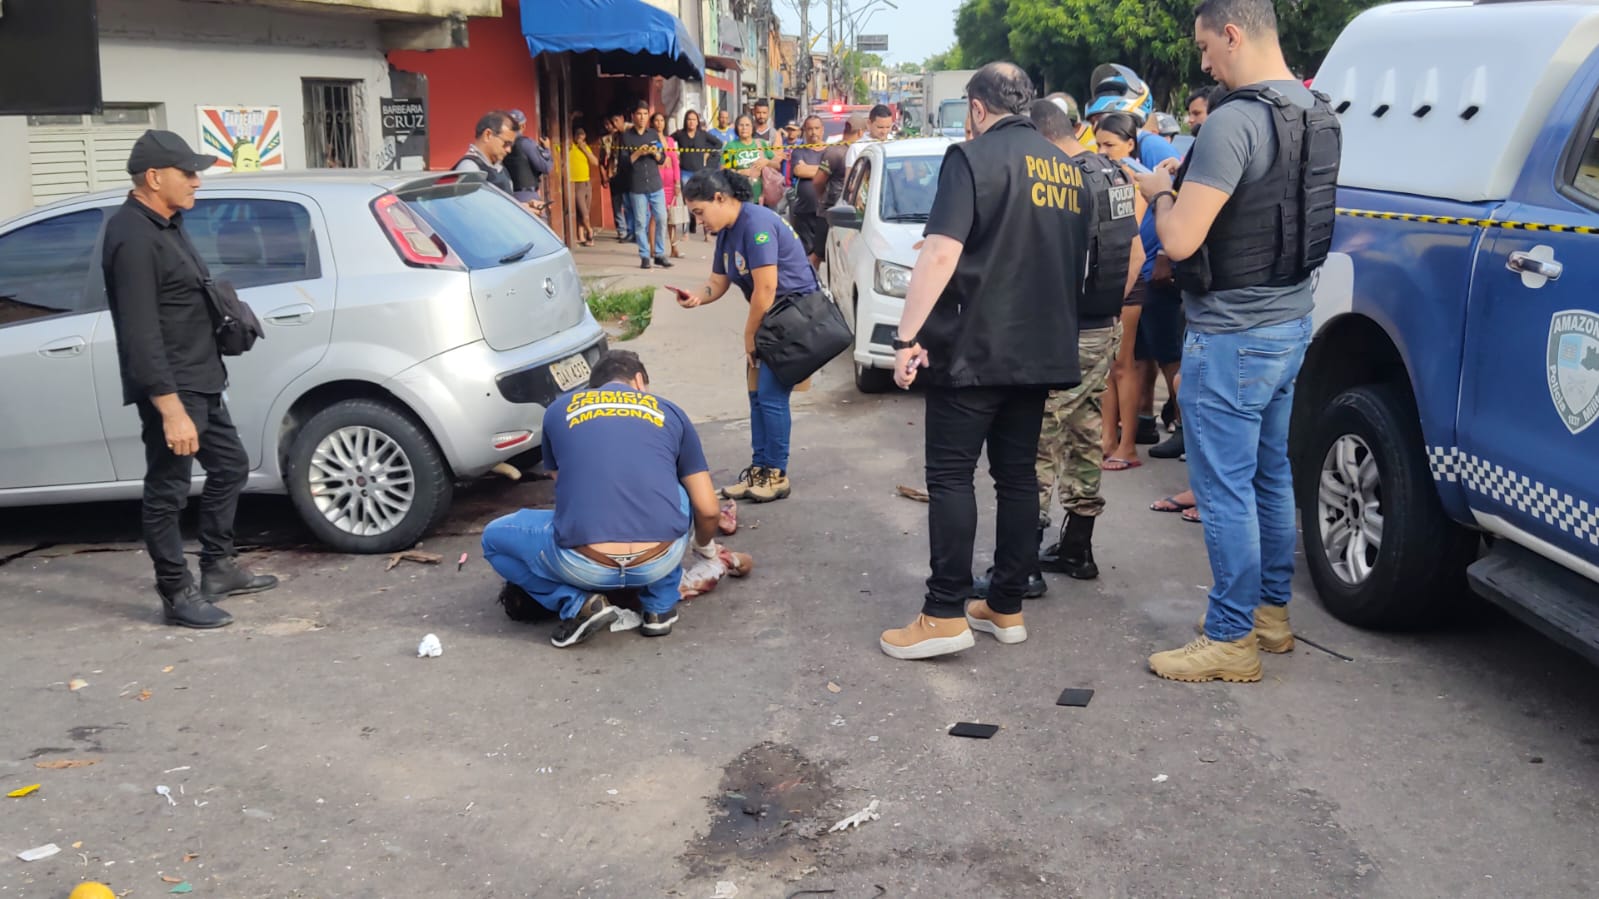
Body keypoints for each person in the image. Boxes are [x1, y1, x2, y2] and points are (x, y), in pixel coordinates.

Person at [1132, 0, 1341, 682]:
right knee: (1269, 475)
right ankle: (1269, 617)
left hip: (1230, 335)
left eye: (1203, 47)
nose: (1202, 63)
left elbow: (1182, 239)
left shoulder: (1233, 121)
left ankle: (1229, 637)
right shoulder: (1319, 112)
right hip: (1289, 323)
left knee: (1223, 491)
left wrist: (1160, 191)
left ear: (1230, 33)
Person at [879, 62, 1089, 661]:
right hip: (1041, 349)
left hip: (973, 347)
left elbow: (942, 252)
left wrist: (905, 337)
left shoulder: (969, 159)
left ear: (976, 109)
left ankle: (944, 611)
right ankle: (1004, 602)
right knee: (1016, 475)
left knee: (950, 476)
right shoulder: (1068, 172)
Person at [103, 130, 279, 629]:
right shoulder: (132, 237)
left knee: (230, 466)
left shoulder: (166, 224)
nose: (198, 181)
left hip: (202, 381)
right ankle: (176, 593)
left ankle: (219, 568)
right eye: (188, 172)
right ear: (155, 178)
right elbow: (140, 334)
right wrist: (170, 408)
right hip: (173, 390)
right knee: (168, 490)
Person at [481, 352, 722, 647]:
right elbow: (709, 510)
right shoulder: (670, 411)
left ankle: (578, 603)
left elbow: (568, 487)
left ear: (591, 388)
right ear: (639, 382)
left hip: (583, 564)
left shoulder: (559, 411)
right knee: (678, 492)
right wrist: (704, 550)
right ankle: (659, 607)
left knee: (493, 539)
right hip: (658, 560)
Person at [1030, 96, 1144, 582]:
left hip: (1063, 333)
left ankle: (1022, 567)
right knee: (1084, 433)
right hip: (1104, 328)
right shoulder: (1113, 173)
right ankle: (1077, 549)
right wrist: (1108, 308)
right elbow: (1135, 253)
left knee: (1035, 442)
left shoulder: (1058, 181)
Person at [671, 168, 817, 505]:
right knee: (756, 398)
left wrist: (750, 335)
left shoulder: (756, 224)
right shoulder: (726, 230)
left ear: (720, 198)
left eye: (699, 212)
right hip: (770, 321)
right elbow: (718, 282)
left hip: (791, 319)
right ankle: (759, 469)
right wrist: (696, 296)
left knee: (770, 396)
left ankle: (776, 474)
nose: (699, 221)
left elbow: (766, 289)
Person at [1094, 112, 1156, 471]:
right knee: (1106, 366)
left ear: (1131, 145)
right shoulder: (1109, 175)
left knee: (1123, 365)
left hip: (1131, 280)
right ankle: (1107, 439)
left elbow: (1128, 233)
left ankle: (1128, 445)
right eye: (1099, 144)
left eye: (1110, 145)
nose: (1103, 151)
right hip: (1108, 280)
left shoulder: (1137, 181)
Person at [619, 102, 672, 270]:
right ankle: (644, 256)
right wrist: (638, 153)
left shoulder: (653, 134)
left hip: (655, 183)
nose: (642, 117)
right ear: (633, 116)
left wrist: (655, 153)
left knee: (662, 218)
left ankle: (660, 253)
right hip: (637, 184)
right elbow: (623, 163)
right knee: (641, 222)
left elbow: (662, 159)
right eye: (639, 114)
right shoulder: (626, 136)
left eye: (644, 114)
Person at [673, 110, 724, 239]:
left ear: (697, 122)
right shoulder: (680, 134)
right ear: (685, 121)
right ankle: (686, 232)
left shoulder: (703, 135)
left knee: (702, 202)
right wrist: (674, 155)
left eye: (694, 119)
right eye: (689, 119)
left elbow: (718, 143)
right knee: (686, 203)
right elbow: (667, 141)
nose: (691, 122)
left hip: (700, 172)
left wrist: (708, 152)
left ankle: (706, 233)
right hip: (684, 171)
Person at [787, 115, 828, 267]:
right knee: (805, 253)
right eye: (809, 129)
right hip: (804, 211)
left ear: (822, 130)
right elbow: (799, 170)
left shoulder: (830, 151)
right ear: (804, 131)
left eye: (816, 128)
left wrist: (809, 168)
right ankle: (809, 284)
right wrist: (823, 169)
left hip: (826, 211)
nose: (813, 132)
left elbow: (834, 173)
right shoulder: (799, 151)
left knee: (823, 253)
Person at [504, 109, 554, 217]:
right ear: (523, 126)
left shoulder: (501, 143)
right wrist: (547, 150)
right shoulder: (525, 144)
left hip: (507, 196)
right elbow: (545, 167)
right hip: (527, 195)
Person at [454, 111, 517, 195]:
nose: (509, 150)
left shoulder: (500, 169)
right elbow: (470, 206)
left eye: (511, 145)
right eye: (506, 143)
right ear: (488, 135)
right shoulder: (469, 168)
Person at [654, 112, 687, 259]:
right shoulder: (651, 140)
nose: (659, 123)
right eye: (656, 120)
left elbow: (675, 162)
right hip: (656, 182)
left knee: (671, 218)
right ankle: (653, 248)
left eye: (662, 120)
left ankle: (674, 248)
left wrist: (677, 182)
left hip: (670, 183)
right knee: (656, 217)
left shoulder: (670, 140)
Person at [602, 114, 636, 244]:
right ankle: (628, 231)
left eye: (616, 120)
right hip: (619, 173)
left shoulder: (631, 130)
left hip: (632, 173)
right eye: (612, 121)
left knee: (634, 205)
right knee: (626, 205)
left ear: (622, 118)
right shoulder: (614, 137)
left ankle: (635, 231)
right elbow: (613, 156)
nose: (615, 124)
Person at [721, 114, 775, 187]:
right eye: (741, 125)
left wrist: (767, 162)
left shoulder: (761, 143)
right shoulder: (730, 146)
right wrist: (740, 172)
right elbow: (724, 169)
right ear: (736, 128)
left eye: (747, 125)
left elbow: (777, 165)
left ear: (753, 128)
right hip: (739, 191)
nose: (744, 128)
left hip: (762, 193)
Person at [569, 125, 599, 247]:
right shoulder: (570, 146)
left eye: (583, 136)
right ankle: (590, 231)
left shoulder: (585, 147)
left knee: (586, 210)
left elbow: (595, 162)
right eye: (578, 136)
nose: (580, 139)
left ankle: (581, 235)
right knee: (583, 212)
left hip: (586, 182)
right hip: (576, 183)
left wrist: (584, 149)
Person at [845, 103, 895, 170]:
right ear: (869, 123)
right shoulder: (856, 148)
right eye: (880, 127)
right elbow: (850, 178)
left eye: (888, 127)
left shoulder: (894, 143)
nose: (884, 131)